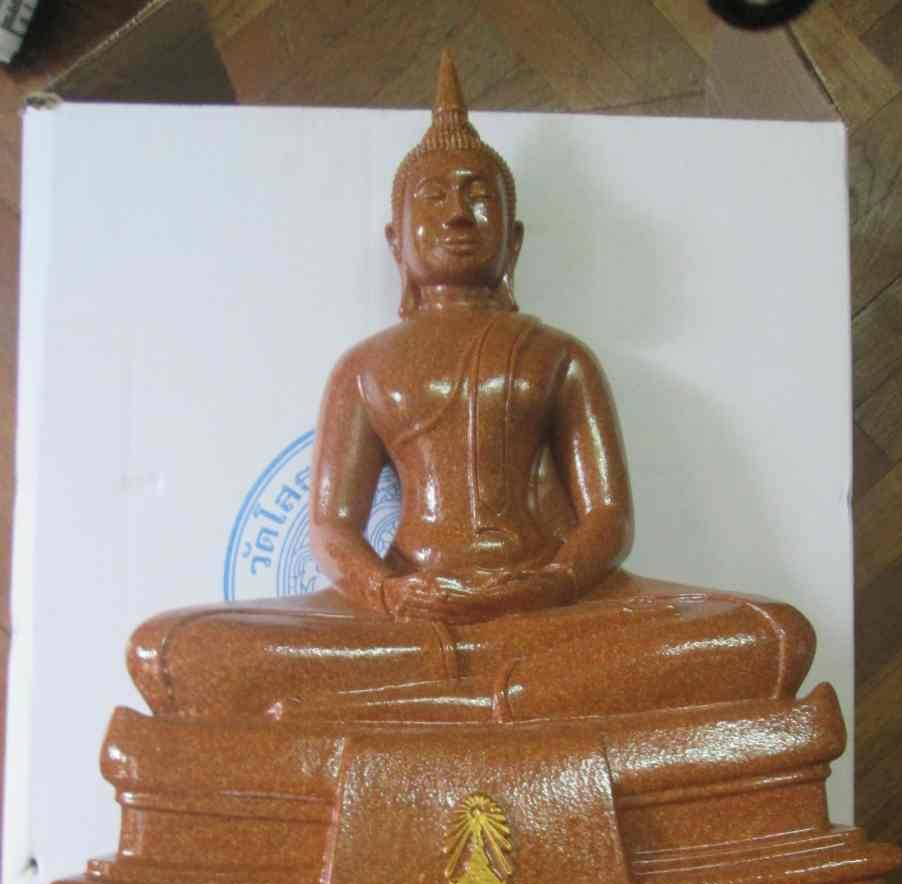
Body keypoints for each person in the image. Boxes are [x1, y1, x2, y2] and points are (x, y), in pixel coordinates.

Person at [128, 51, 813, 725]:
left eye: (479, 198)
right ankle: (510, 698)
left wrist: (550, 582)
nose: (458, 215)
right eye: (434, 197)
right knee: (169, 649)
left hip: (551, 610)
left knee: (770, 633)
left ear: (512, 242)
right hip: (410, 615)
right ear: (396, 242)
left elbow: (609, 520)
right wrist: (388, 593)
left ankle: (429, 703)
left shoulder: (560, 356)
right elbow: (332, 527)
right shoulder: (363, 367)